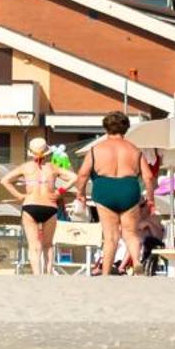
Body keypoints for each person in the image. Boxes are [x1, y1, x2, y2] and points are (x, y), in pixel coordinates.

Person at [72, 111, 155, 275]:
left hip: (104, 189)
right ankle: (136, 261)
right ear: (126, 129)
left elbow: (82, 174)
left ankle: (105, 272)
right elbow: (149, 176)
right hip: (129, 189)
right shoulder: (135, 150)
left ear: (105, 128)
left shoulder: (96, 150)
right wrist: (150, 198)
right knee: (130, 233)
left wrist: (80, 193)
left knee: (110, 236)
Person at [0, 136, 73, 277]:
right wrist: (59, 192)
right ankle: (48, 272)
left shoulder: (26, 167)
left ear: (31, 153)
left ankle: (37, 274)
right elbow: (74, 177)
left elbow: (4, 180)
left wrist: (18, 196)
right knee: (48, 244)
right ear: (47, 153)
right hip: (49, 206)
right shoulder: (52, 167)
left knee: (34, 245)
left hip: (30, 205)